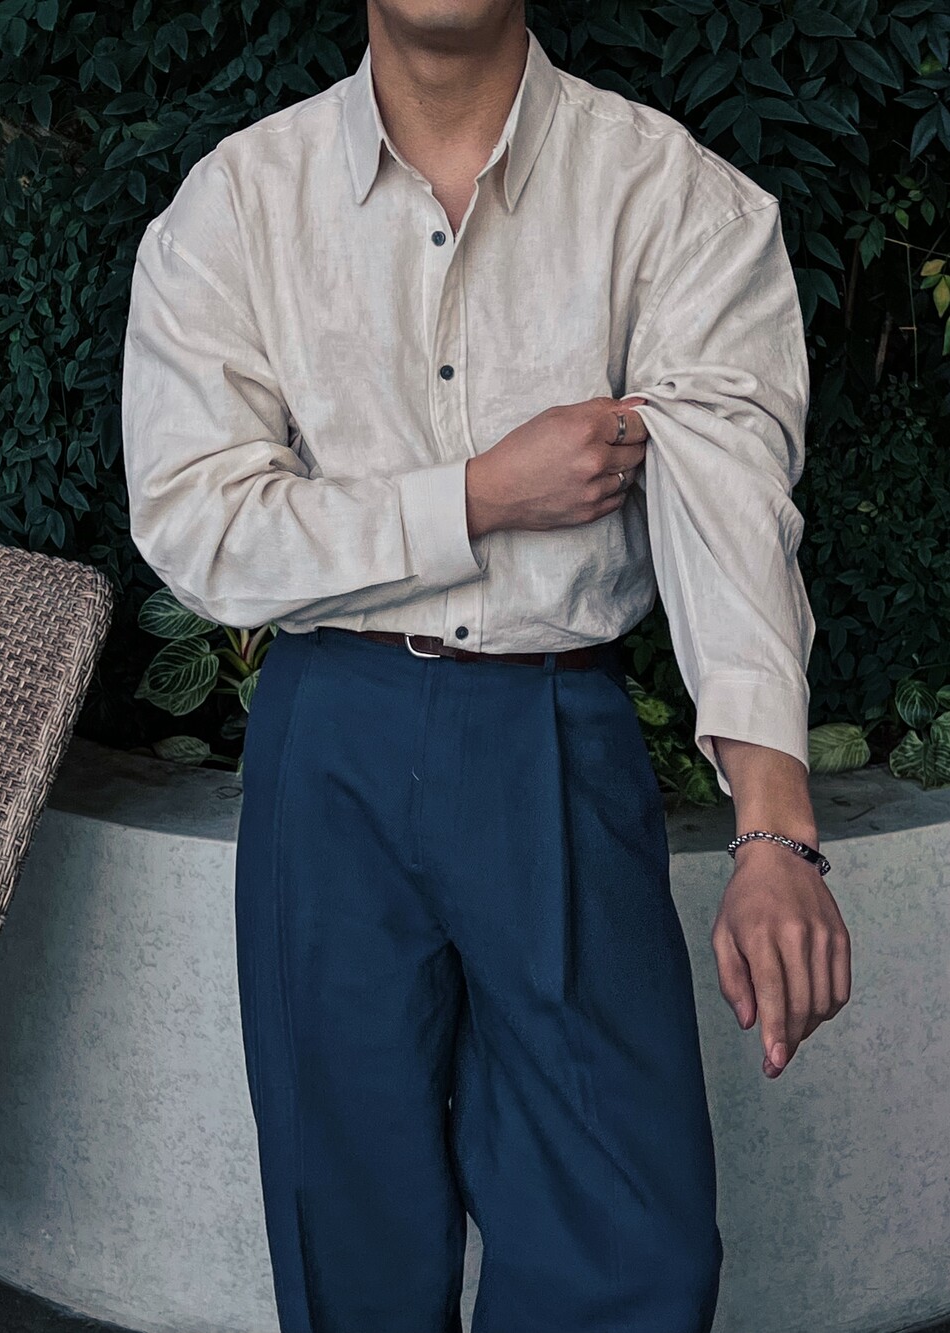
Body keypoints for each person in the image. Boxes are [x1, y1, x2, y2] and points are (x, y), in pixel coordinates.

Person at [121, 3, 852, 1330]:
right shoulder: (238, 201)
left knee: (633, 1243)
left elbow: (731, 510)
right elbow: (200, 527)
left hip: (555, 733)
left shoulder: (670, 193)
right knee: (349, 1231)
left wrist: (774, 826)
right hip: (331, 741)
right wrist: (476, 497)